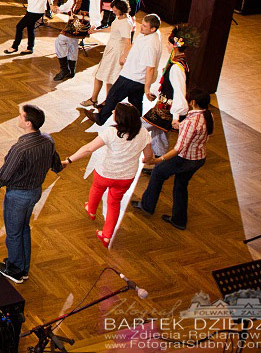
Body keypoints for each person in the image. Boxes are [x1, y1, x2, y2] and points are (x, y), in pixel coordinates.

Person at [0, 104, 63, 284]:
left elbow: (4, 175)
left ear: (28, 123)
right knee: (23, 228)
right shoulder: (47, 140)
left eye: (21, 116)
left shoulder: (21, 149)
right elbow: (56, 163)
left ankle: (15, 270)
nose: (18, 118)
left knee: (13, 233)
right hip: (35, 192)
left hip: (17, 196)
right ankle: (23, 267)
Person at [65, 103, 153, 247]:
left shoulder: (110, 132)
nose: (112, 111)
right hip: (126, 177)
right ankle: (106, 235)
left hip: (105, 173)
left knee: (97, 189)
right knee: (114, 203)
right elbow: (148, 156)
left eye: (115, 111)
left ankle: (91, 210)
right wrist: (150, 159)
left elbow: (88, 149)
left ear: (120, 119)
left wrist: (69, 160)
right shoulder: (143, 132)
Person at [132, 88, 212, 230]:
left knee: (158, 173)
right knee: (181, 185)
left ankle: (147, 206)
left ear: (192, 102)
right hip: (199, 159)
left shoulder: (191, 121)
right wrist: (180, 126)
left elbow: (178, 150)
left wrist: (158, 160)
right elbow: (198, 132)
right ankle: (179, 220)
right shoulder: (208, 115)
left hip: (185, 159)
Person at [87, 14, 163, 125]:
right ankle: (137, 124)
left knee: (113, 95)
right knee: (135, 102)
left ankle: (101, 118)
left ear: (153, 29)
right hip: (135, 76)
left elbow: (150, 68)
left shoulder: (150, 45)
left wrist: (147, 89)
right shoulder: (150, 34)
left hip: (132, 77)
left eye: (145, 26)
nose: (141, 27)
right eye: (142, 24)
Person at [142, 24, 199, 156]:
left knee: (139, 127)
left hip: (166, 110)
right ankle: (158, 159)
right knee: (160, 133)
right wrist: (156, 92)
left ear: (174, 45)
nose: (166, 46)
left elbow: (179, 92)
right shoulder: (179, 61)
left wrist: (176, 116)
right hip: (165, 107)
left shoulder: (176, 67)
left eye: (168, 43)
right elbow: (167, 83)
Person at [52, 0, 103, 81]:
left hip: (82, 23)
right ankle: (71, 70)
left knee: (60, 40)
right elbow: (71, 3)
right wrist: (59, 9)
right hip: (73, 20)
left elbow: (95, 9)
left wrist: (95, 25)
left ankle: (64, 69)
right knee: (72, 44)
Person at [84, 0, 134, 108]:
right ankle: (102, 100)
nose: (113, 12)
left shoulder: (126, 23)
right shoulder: (120, 18)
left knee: (105, 76)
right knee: (106, 76)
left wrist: (124, 57)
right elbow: (112, 28)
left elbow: (128, 42)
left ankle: (101, 101)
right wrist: (96, 31)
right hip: (111, 49)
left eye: (115, 10)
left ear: (122, 9)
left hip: (116, 52)